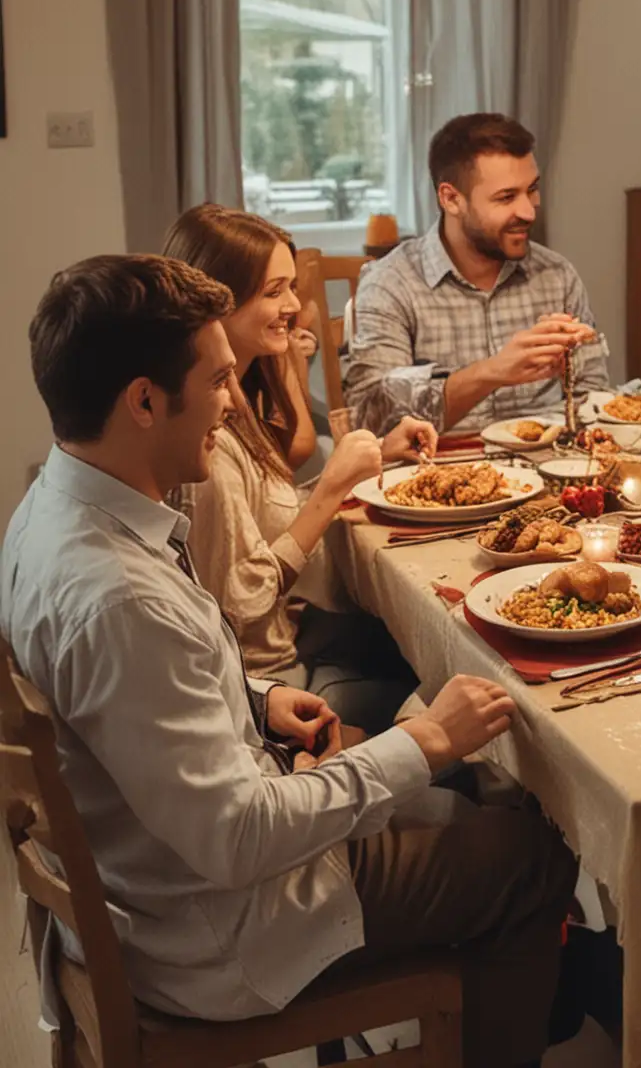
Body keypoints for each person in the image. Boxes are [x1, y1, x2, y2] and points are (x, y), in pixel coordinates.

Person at [2, 255, 576, 1066]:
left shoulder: (48, 508)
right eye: (218, 382)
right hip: (216, 933)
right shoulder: (119, 597)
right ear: (143, 401)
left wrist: (256, 695)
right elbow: (236, 838)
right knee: (529, 858)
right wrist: (425, 744)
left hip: (150, 882)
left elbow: (136, 696)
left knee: (459, 804)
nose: (232, 404)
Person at [164, 204, 436, 734]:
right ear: (217, 300)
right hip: (268, 679)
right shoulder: (210, 445)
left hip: (298, 636)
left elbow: (259, 520)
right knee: (451, 671)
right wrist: (332, 485)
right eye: (274, 292)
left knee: (418, 629)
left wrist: (368, 461)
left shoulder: (235, 398)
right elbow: (242, 601)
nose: (296, 306)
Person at [345, 114, 608, 435]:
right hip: (437, 474)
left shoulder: (556, 275)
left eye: (532, 190)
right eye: (506, 197)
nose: (528, 211)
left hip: (550, 469)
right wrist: (492, 372)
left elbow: (592, 397)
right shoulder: (391, 284)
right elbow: (370, 421)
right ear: (451, 199)